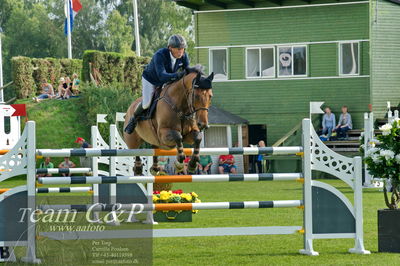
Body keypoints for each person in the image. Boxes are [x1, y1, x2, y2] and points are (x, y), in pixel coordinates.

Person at [125, 34, 190, 134]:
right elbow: (162, 75)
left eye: (183, 48)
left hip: (168, 80)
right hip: (151, 80)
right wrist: (177, 75)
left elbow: (188, 71)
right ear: (170, 48)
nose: (181, 51)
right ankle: (133, 119)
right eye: (178, 49)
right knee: (146, 103)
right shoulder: (160, 55)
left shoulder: (184, 56)